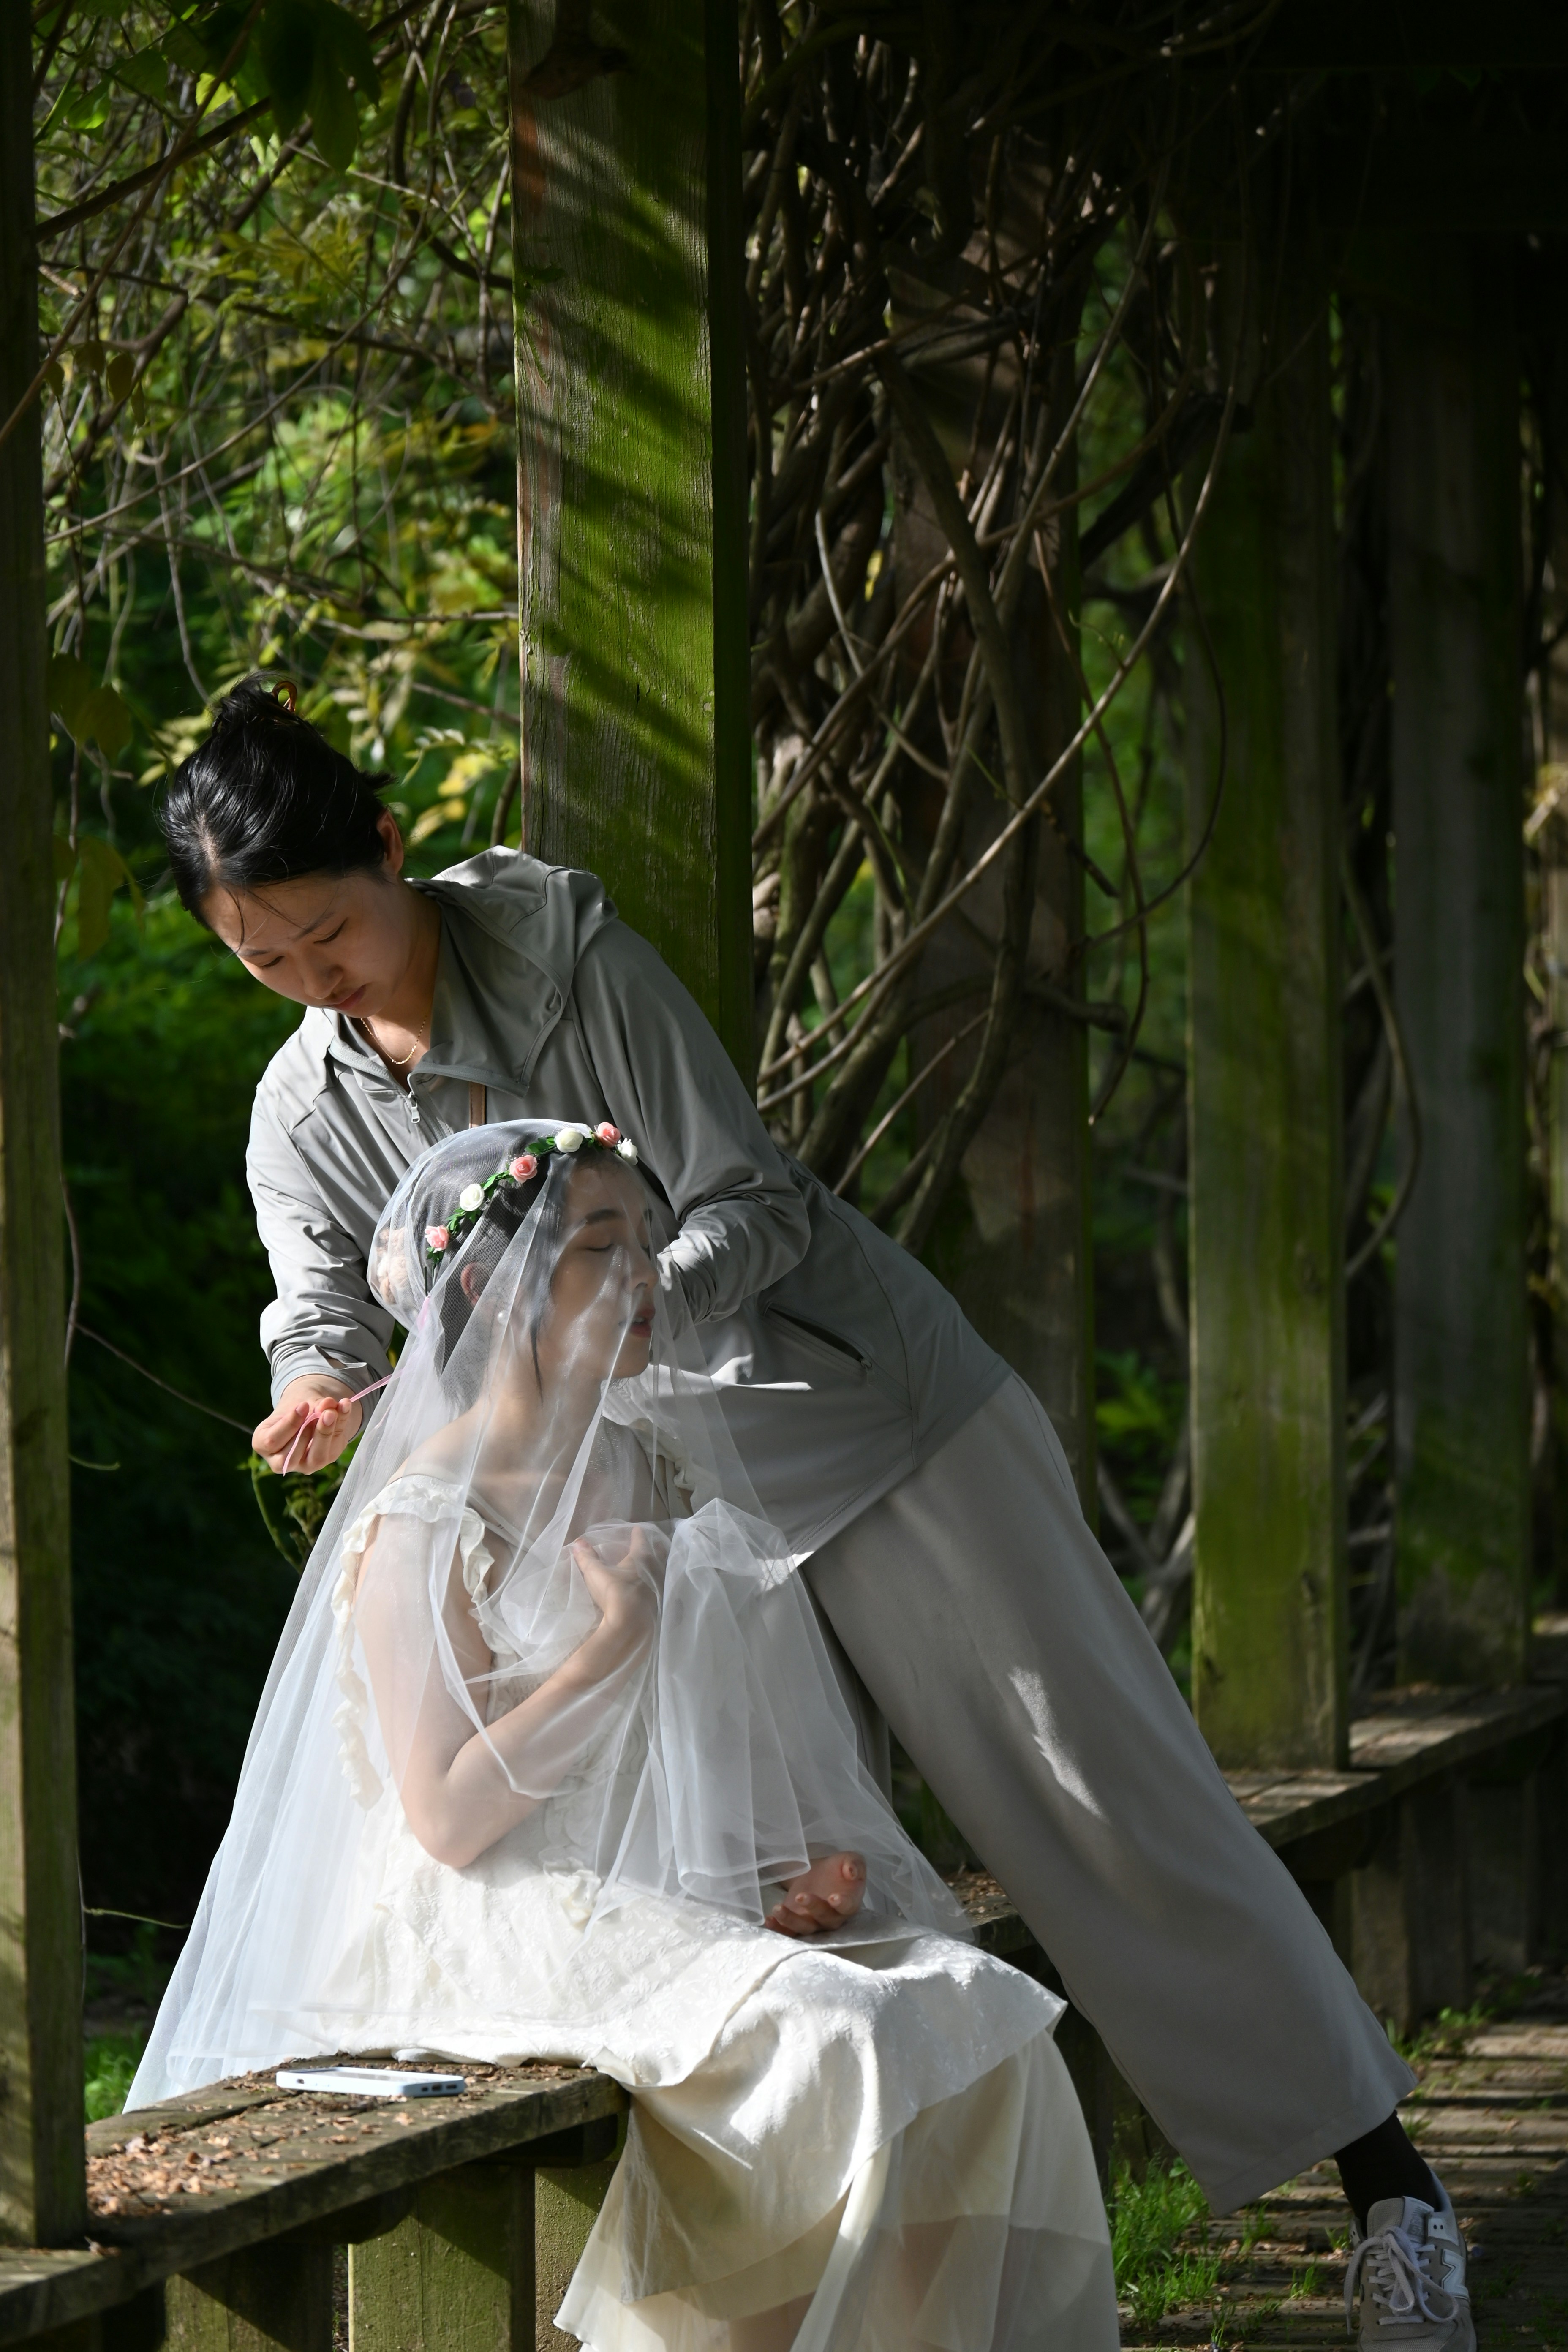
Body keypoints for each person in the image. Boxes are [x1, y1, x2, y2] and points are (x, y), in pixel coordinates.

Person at [158, 678, 1472, 2351]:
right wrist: (315, 1384)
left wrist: (635, 1293)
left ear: (392, 854)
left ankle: (1392, 2194)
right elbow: (330, 1301)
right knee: (773, 1894)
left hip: (858, 1426)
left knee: (1100, 1802)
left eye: (328, 935)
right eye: (264, 962)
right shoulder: (307, 1103)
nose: (315, 982)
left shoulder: (579, 963)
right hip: (641, 1520)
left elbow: (750, 1201)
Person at [130, 1121, 1120, 2352]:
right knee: (845, 2045)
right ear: (493, 1286)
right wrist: (611, 1644)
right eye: (605, 1248)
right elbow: (442, 1818)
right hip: (483, 1912)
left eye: (649, 1241)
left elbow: (698, 1733)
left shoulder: (649, 1468)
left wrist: (780, 1865)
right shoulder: (427, 1517)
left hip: (635, 1890)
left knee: (983, 2025)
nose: (648, 1277)